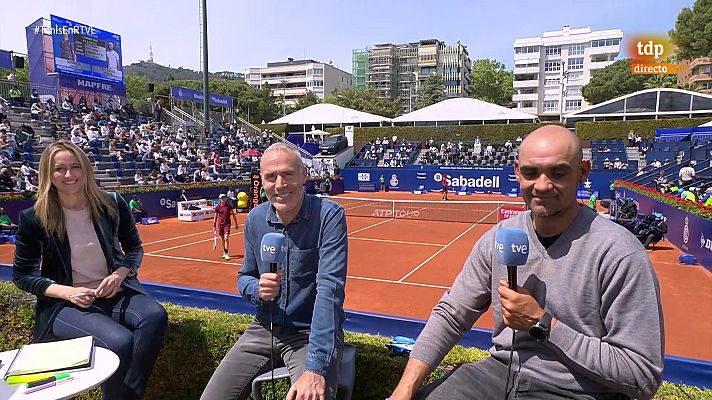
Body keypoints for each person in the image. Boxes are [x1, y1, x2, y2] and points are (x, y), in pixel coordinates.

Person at [388, 126, 663, 400]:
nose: (542, 185)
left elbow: (642, 375)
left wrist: (543, 323)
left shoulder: (620, 253)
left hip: (577, 391)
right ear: (517, 171)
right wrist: (404, 389)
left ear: (583, 171)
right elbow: (451, 315)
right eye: (531, 173)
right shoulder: (497, 238)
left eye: (558, 172)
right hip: (497, 374)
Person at [12, 140, 167, 400]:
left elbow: (134, 249)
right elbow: (22, 275)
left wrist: (120, 274)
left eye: (75, 167)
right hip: (66, 305)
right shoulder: (34, 217)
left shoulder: (112, 203)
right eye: (60, 169)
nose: (69, 175)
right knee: (119, 342)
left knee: (155, 316)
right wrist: (67, 293)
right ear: (48, 174)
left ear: (86, 169)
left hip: (115, 292)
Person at [201, 143, 348, 400]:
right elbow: (244, 276)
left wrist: (315, 368)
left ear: (304, 175)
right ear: (262, 181)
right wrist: (257, 289)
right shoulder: (256, 219)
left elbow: (330, 292)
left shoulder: (329, 216)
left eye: (288, 174)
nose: (280, 184)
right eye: (271, 177)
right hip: (263, 328)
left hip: (308, 333)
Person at [213, 193, 239, 260]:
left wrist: (236, 223)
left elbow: (233, 215)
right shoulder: (217, 208)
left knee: (226, 238)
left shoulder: (229, 207)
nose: (223, 199)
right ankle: (224, 251)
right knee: (223, 239)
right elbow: (215, 216)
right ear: (220, 199)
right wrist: (214, 224)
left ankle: (227, 253)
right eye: (222, 198)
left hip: (227, 224)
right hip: (220, 224)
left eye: (224, 198)